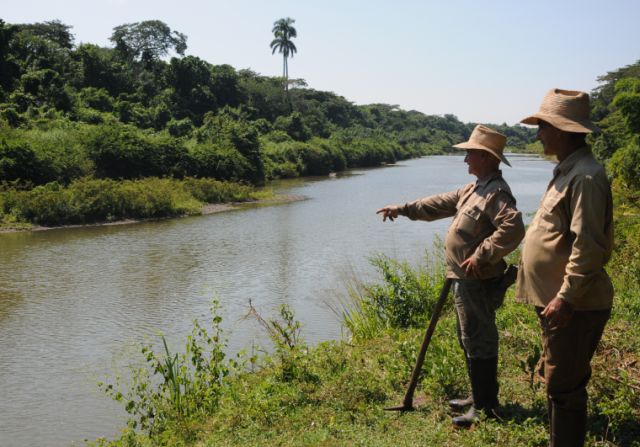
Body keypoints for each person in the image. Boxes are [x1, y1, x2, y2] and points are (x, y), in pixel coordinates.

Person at [377, 124, 525, 427]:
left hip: (477, 281)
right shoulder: (474, 188)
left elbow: (513, 228)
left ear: (485, 156)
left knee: (479, 339)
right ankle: (477, 397)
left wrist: (482, 254)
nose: (465, 159)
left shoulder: (496, 192)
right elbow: (438, 203)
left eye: (470, 153)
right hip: (462, 280)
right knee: (468, 338)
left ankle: (485, 407)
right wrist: (402, 208)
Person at [516, 89, 614, 447]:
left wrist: (566, 297)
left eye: (543, 126)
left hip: (575, 305)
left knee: (564, 387)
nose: (538, 133)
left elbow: (588, 246)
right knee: (558, 381)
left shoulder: (585, 177)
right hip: (561, 303)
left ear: (561, 129)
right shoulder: (567, 171)